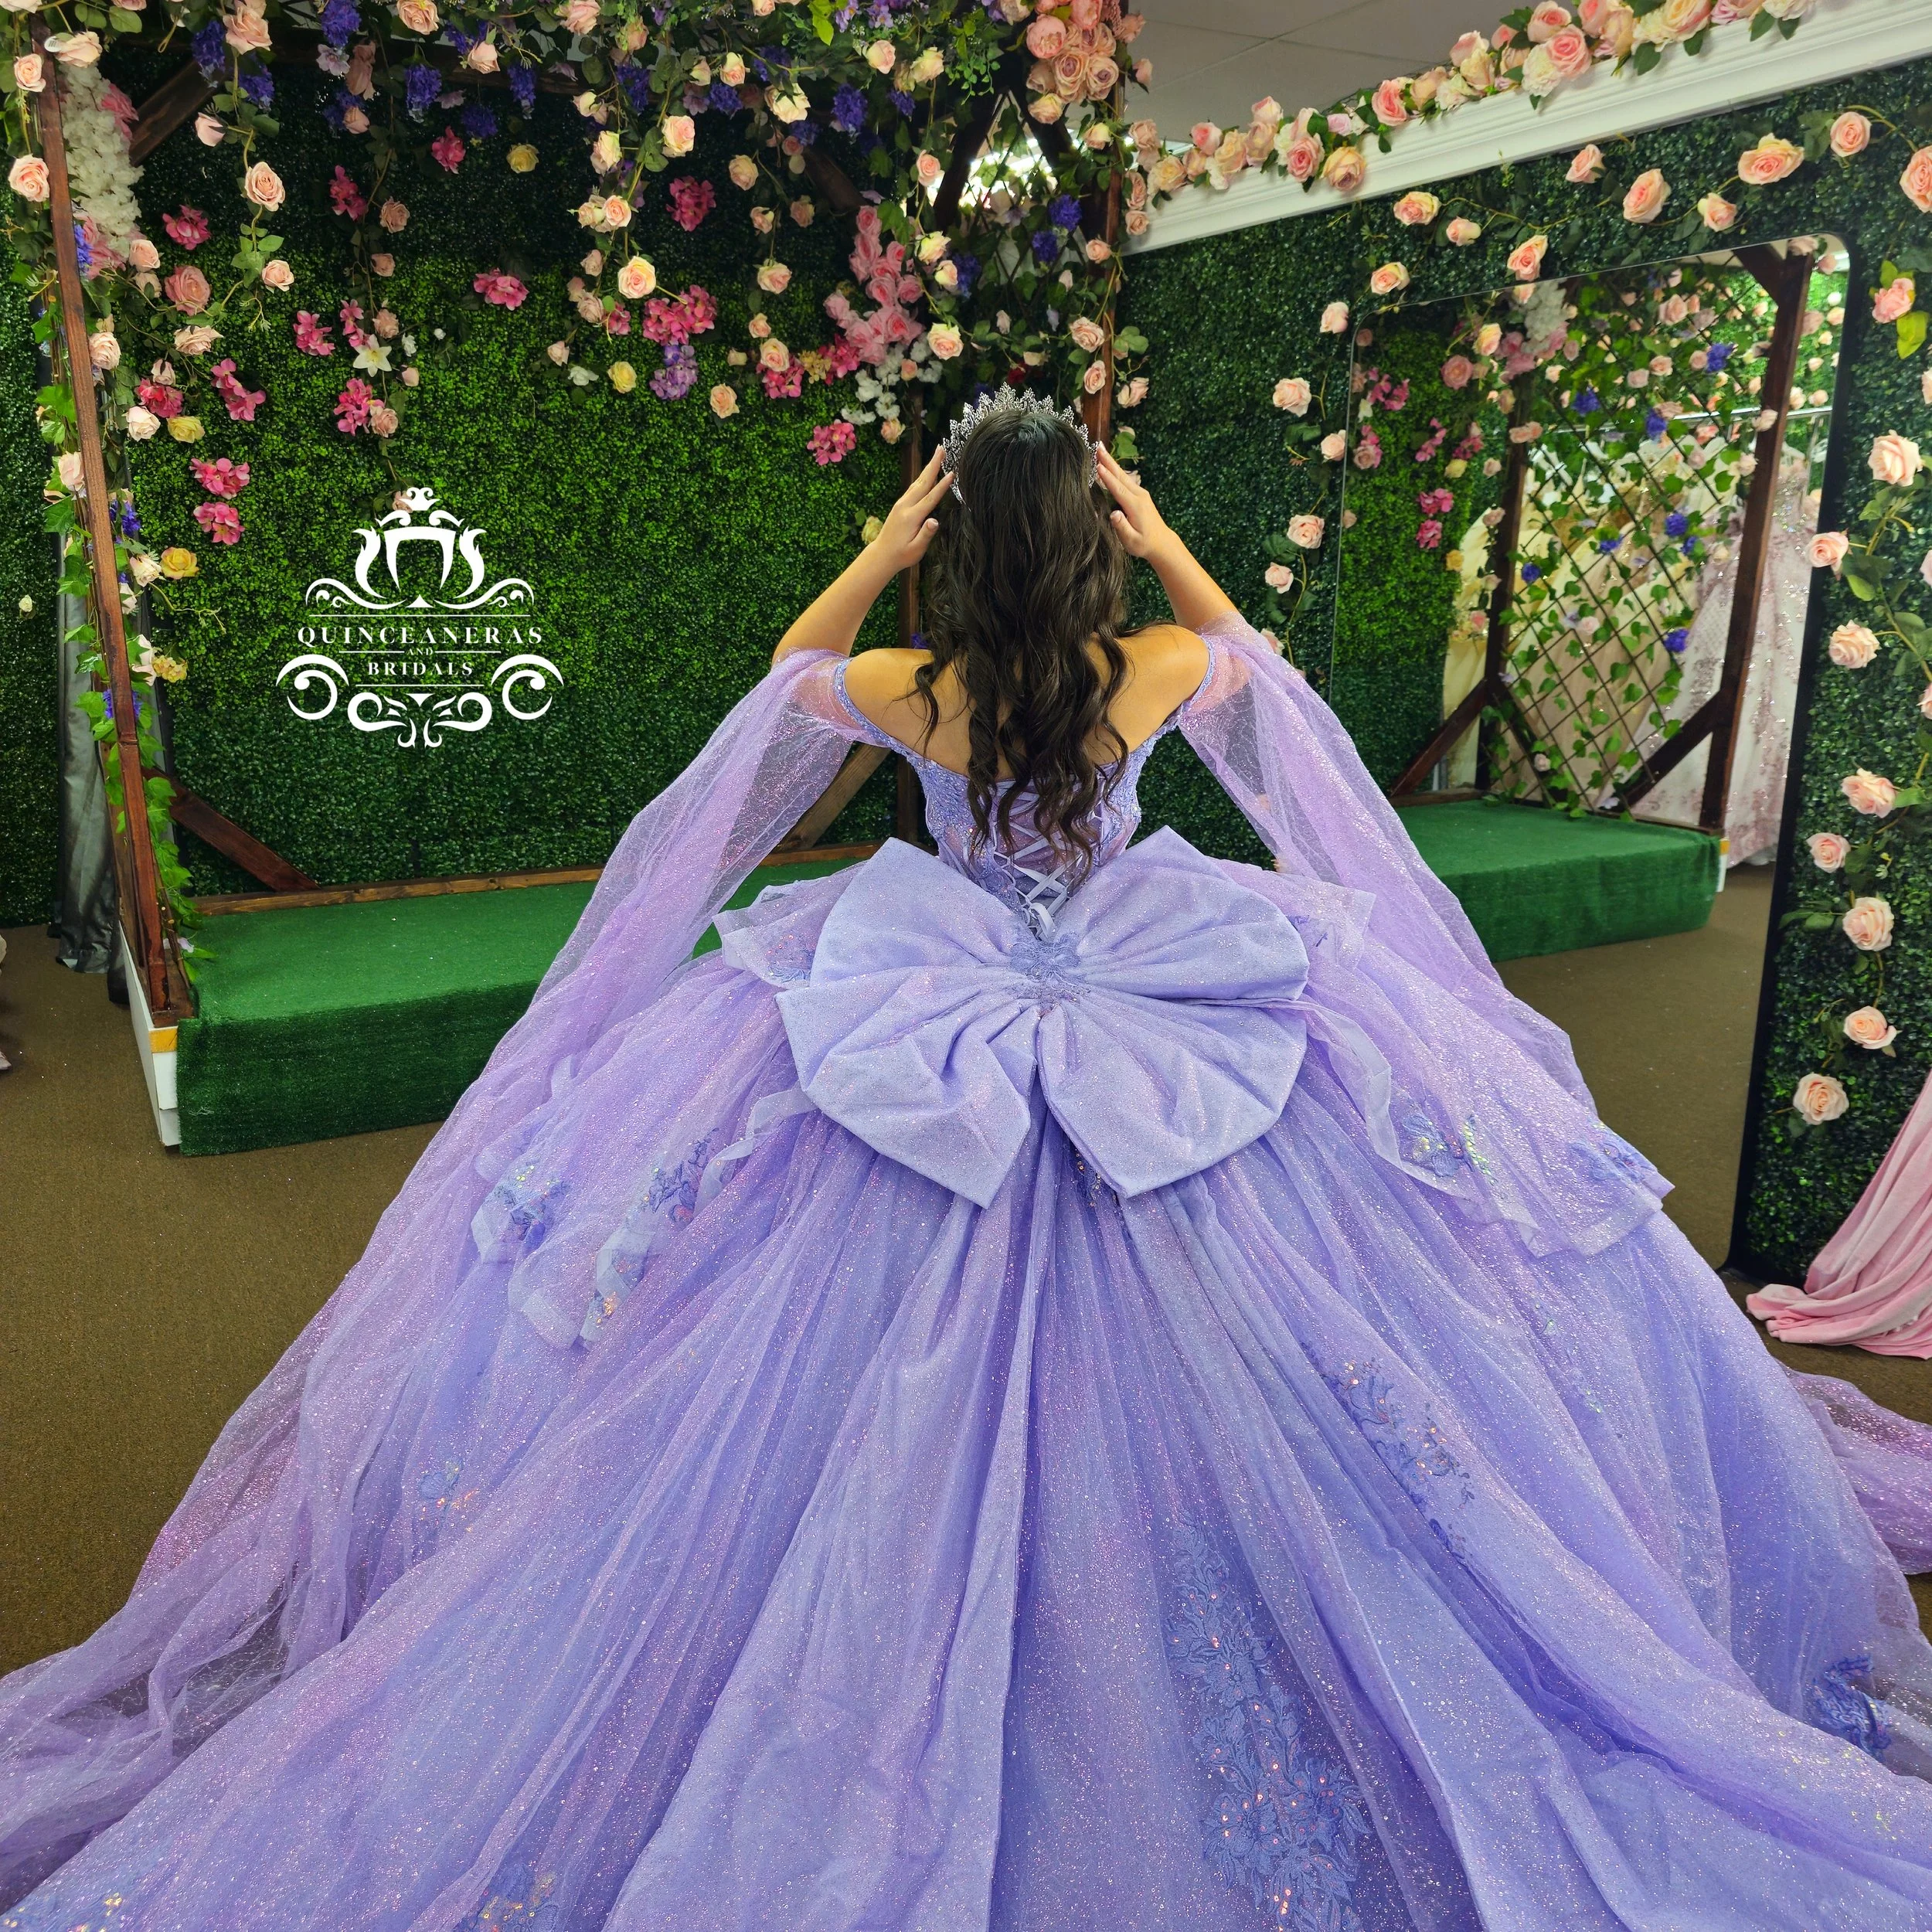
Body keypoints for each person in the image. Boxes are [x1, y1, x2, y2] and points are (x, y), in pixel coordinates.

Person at [4, 390, 1932, 1932]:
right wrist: (1157, 531)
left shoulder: (905, 689)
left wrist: (878, 548)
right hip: (1151, 1005)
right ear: (1089, 542)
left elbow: (779, 680)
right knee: (1310, 1341)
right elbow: (1251, 659)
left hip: (920, 1017)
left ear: (954, 543)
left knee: (780, 1343)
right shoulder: (1156, 662)